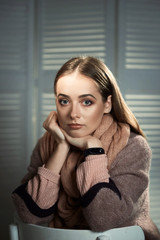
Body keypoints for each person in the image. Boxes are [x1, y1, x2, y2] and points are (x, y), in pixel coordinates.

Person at [12, 56, 160, 240]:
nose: (73, 114)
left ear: (107, 104)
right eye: (64, 101)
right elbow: (30, 215)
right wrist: (61, 148)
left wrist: (93, 150)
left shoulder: (133, 147)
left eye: (87, 102)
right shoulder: (47, 143)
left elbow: (103, 219)